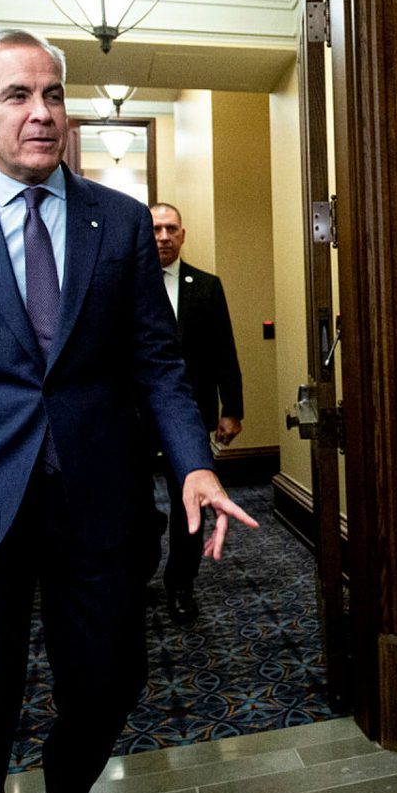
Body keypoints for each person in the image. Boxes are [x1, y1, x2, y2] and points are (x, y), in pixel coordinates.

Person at [0, 28, 258, 793]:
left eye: (53, 94)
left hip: (98, 507)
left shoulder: (121, 223)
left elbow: (158, 362)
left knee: (112, 684)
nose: (42, 114)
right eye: (16, 96)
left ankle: (66, 784)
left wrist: (193, 464)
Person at [146, 202, 244, 625]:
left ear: (183, 234)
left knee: (192, 504)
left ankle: (181, 585)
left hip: (189, 416)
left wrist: (231, 409)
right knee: (134, 505)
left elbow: (225, 350)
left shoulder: (205, 286)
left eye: (170, 229)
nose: (163, 237)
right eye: (155, 230)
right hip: (133, 419)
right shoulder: (124, 285)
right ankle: (139, 569)